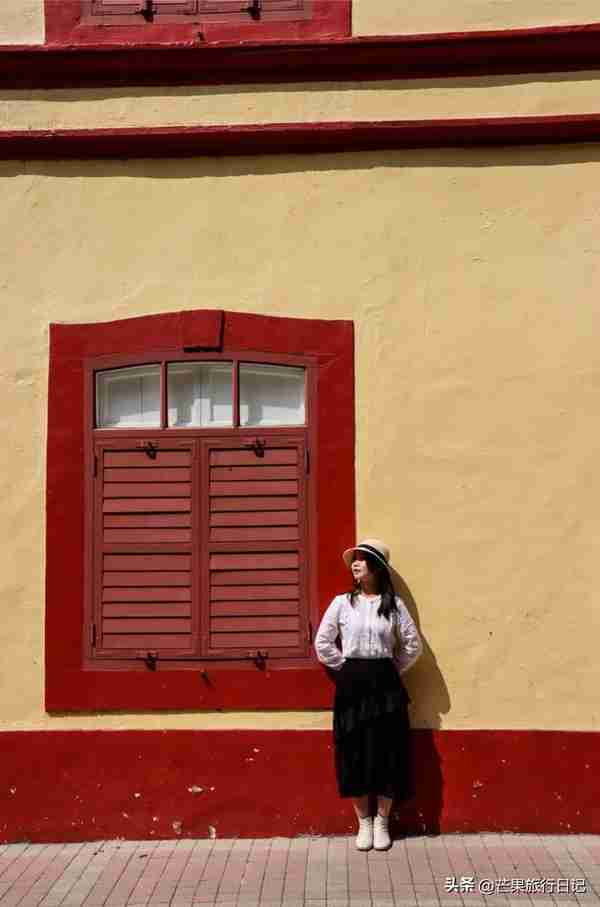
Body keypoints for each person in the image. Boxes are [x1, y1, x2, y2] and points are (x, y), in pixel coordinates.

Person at [314, 538, 422, 851]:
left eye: (362, 559)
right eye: (355, 560)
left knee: (389, 751)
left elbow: (413, 647)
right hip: (352, 684)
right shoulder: (341, 603)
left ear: (375, 567)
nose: (355, 564)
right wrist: (347, 669)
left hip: (386, 685)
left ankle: (382, 821)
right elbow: (323, 644)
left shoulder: (395, 605)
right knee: (354, 751)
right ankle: (363, 822)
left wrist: (389, 671)